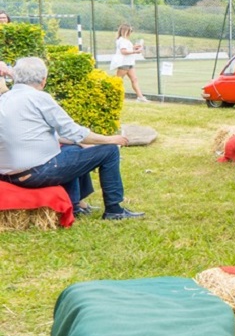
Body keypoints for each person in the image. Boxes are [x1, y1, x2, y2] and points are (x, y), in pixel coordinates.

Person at [0, 57, 138, 219]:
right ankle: (114, 210)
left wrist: (81, 144)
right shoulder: (39, 98)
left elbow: (54, 135)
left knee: (73, 149)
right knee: (110, 151)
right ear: (43, 80)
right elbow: (74, 132)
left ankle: (74, 204)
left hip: (9, 172)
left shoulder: (5, 99)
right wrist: (111, 140)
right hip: (36, 173)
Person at [110, 23, 148, 102]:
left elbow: (127, 48)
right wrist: (135, 51)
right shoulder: (122, 40)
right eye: (130, 30)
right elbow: (123, 51)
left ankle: (140, 97)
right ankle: (112, 96)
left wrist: (134, 48)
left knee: (134, 79)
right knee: (118, 81)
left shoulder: (125, 40)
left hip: (129, 63)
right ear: (126, 31)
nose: (131, 32)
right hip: (124, 63)